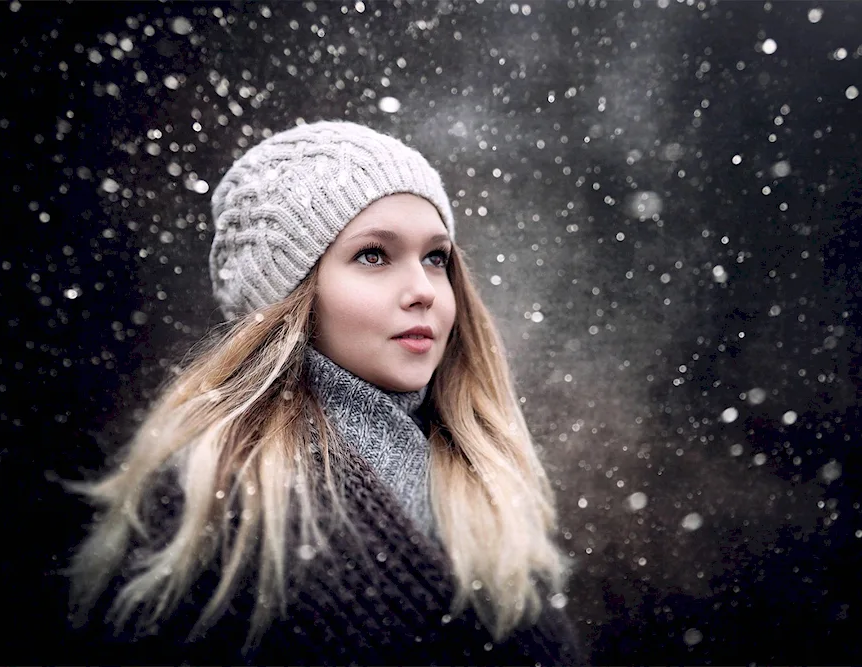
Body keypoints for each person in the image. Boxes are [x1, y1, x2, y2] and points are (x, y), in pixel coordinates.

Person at [59, 120, 586, 665]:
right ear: (292, 296)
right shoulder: (216, 491)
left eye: (436, 258)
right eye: (374, 255)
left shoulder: (486, 479)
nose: (423, 291)